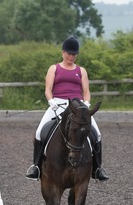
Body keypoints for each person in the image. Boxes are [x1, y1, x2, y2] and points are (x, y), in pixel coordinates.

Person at [26, 36, 109, 181]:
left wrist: (87, 103)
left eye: (74, 54)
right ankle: (36, 166)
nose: (71, 56)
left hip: (78, 106)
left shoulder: (81, 71)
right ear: (63, 52)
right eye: (69, 53)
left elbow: (87, 91)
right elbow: (48, 89)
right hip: (57, 103)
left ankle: (97, 168)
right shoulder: (54, 68)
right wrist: (51, 101)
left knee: (97, 134)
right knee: (40, 132)